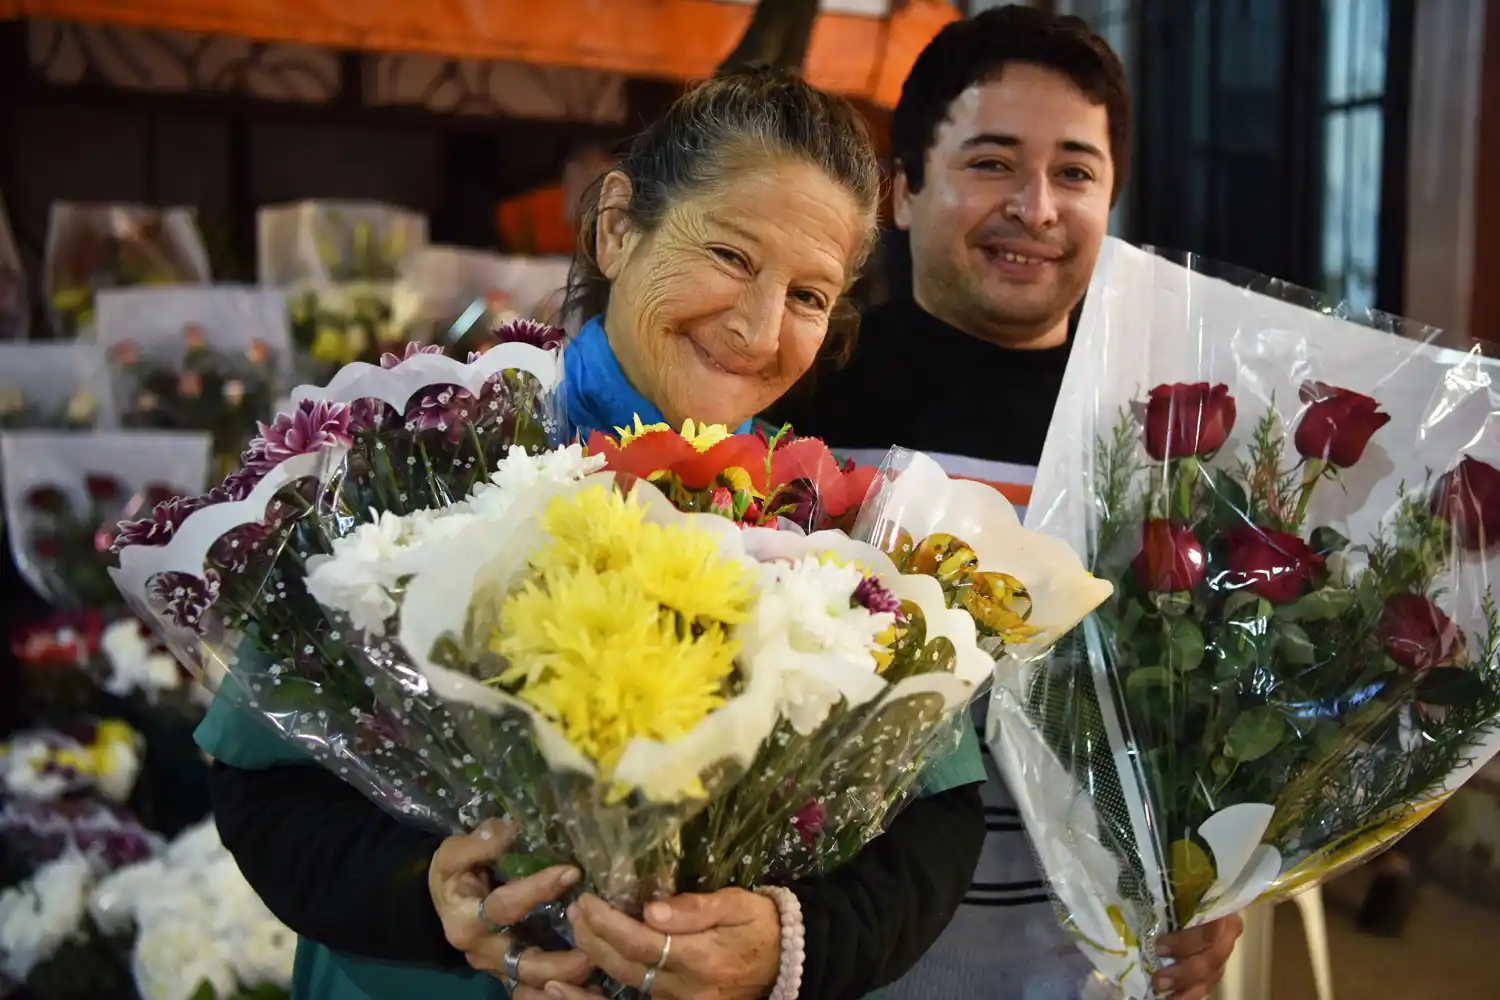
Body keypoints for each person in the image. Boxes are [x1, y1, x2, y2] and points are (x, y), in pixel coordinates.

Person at [198, 67, 987, 1000]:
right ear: (618, 226)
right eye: (731, 257)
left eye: (809, 296)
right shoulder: (431, 458)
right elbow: (263, 784)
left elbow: (934, 822)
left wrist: (790, 942)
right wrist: (432, 894)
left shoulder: (819, 516)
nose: (758, 326)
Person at [771, 8, 1244, 1000]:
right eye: (991, 162)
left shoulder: (1159, 439)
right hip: (827, 956)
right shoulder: (797, 407)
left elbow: (1209, 728)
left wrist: (1224, 871)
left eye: (1074, 172)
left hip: (1087, 970)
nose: (1035, 206)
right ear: (902, 190)